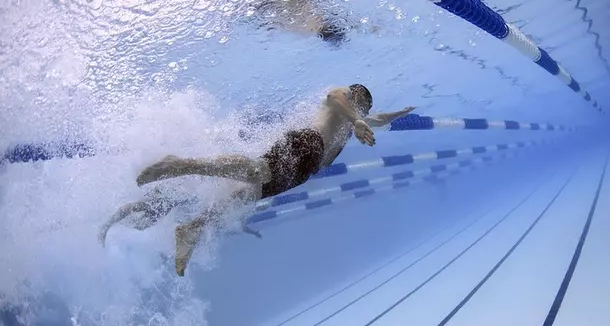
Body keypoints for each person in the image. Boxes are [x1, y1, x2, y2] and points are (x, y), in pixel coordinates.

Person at [135, 84, 415, 276]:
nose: (363, 112)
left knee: (246, 195)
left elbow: (376, 119)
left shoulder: (356, 117)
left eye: (364, 110)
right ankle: (179, 165)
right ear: (356, 95)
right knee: (257, 171)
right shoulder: (344, 99)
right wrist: (356, 120)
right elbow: (333, 98)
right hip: (308, 143)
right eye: (362, 105)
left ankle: (193, 227)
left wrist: (399, 113)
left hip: (304, 171)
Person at [98, 185, 262, 245]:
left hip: (173, 200)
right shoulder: (226, 194)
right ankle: (107, 223)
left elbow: (240, 224)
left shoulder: (232, 208)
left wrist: (253, 232)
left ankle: (115, 221)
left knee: (143, 225)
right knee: (144, 207)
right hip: (170, 192)